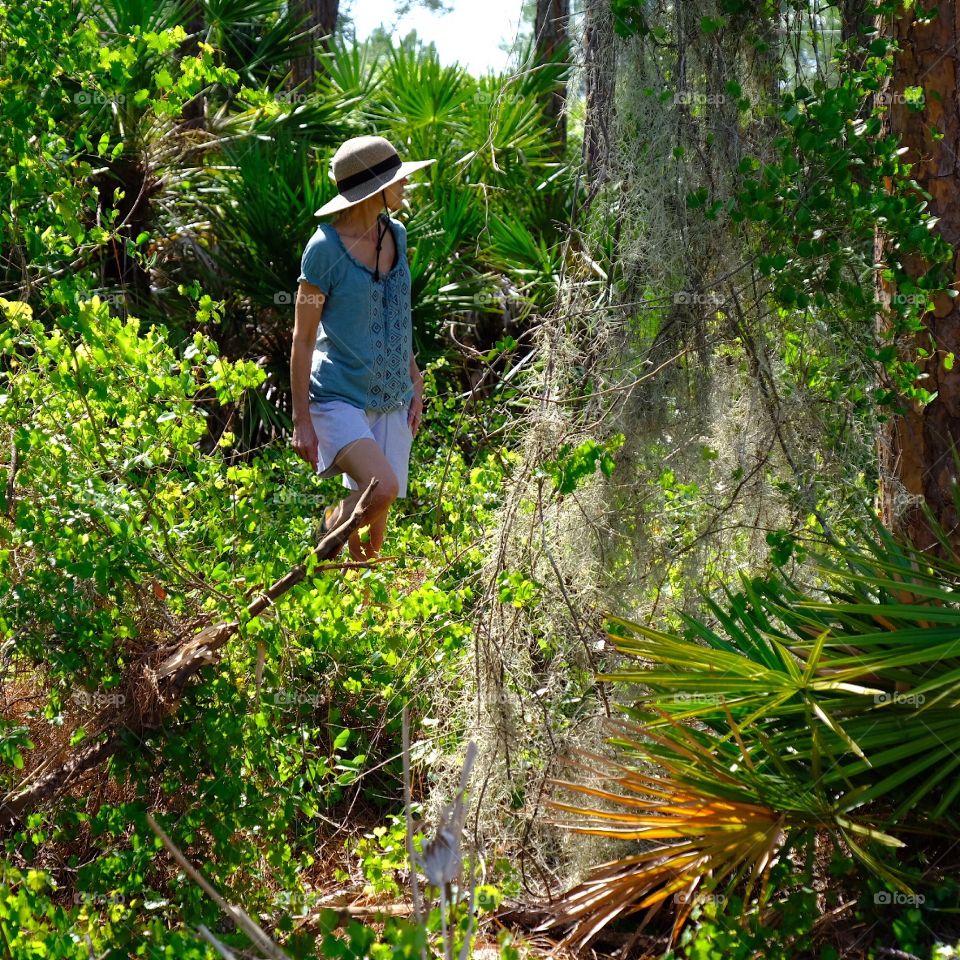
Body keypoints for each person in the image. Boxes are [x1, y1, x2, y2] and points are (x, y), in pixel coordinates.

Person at [290, 135, 435, 561]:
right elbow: (301, 337)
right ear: (375, 191)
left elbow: (397, 312)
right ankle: (327, 531)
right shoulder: (323, 250)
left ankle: (356, 603)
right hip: (338, 395)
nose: (405, 186)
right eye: (397, 179)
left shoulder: (398, 235)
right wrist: (301, 420)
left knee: (373, 536)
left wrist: (413, 378)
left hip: (392, 394)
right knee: (382, 489)